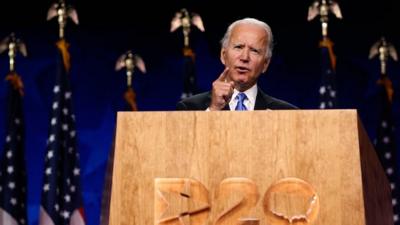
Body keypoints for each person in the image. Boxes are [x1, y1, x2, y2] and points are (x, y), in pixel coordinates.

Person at [176, 18, 297, 110]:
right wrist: (214, 109)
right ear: (223, 55)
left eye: (254, 51)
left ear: (265, 64)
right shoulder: (189, 108)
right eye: (238, 47)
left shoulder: (286, 113)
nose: (245, 57)